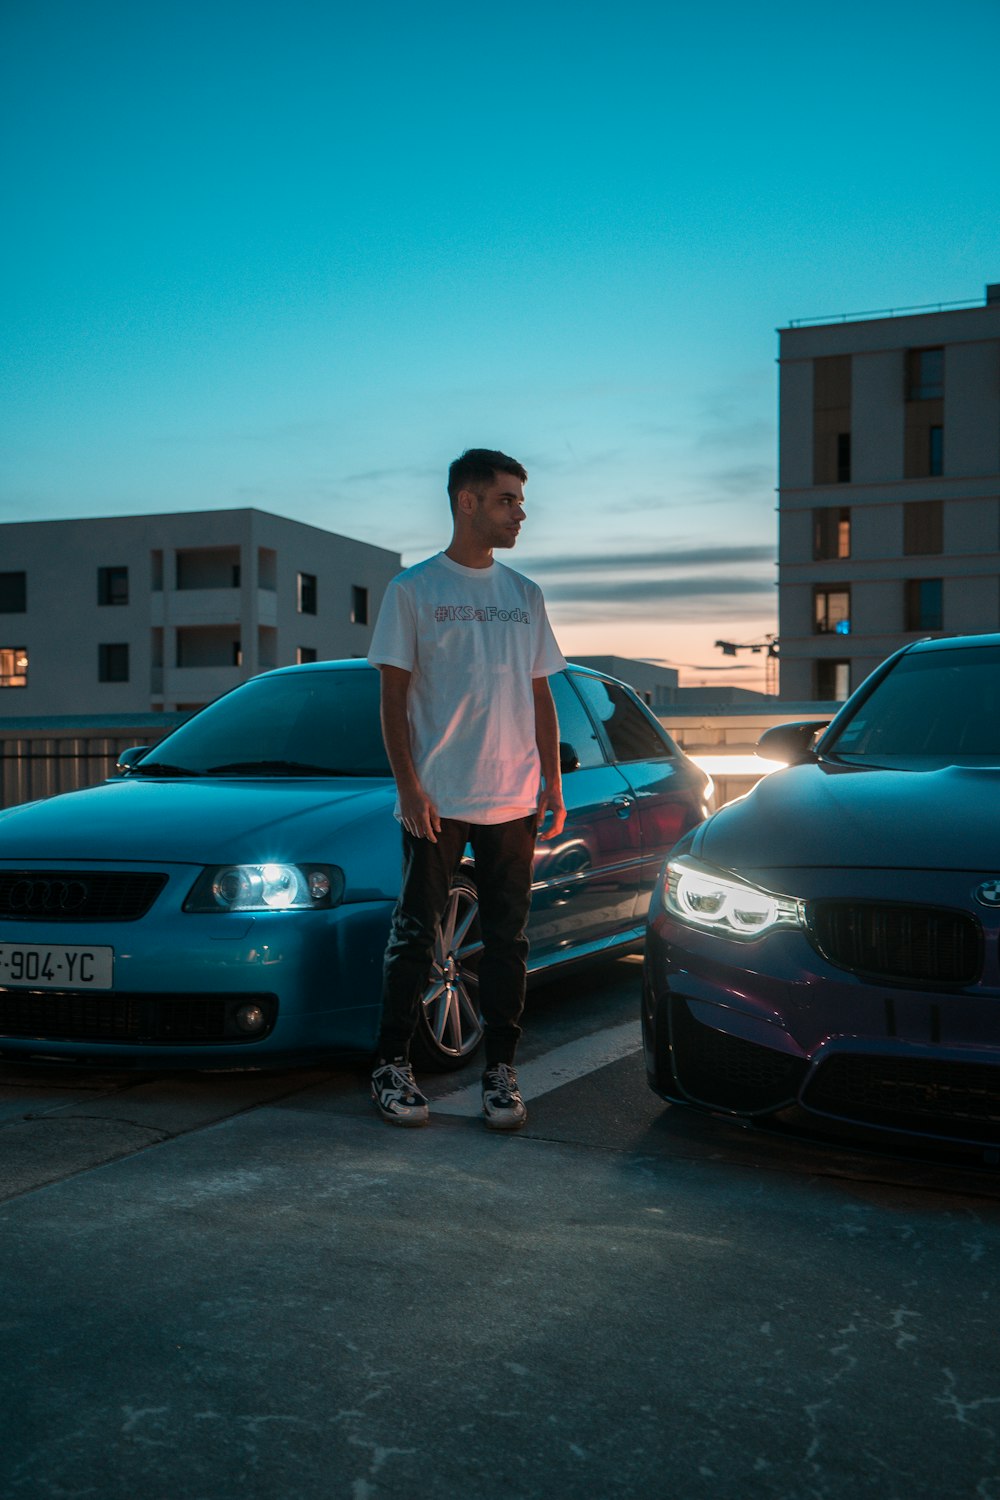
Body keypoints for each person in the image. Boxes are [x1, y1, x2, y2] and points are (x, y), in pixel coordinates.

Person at [367, 447, 567, 1130]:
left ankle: (501, 1074)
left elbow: (541, 696)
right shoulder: (414, 590)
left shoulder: (524, 595)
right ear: (468, 502)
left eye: (520, 500)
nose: (520, 513)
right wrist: (410, 787)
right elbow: (393, 700)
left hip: (513, 797)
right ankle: (392, 1067)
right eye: (508, 499)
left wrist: (552, 780)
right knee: (416, 936)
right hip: (437, 799)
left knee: (508, 941)